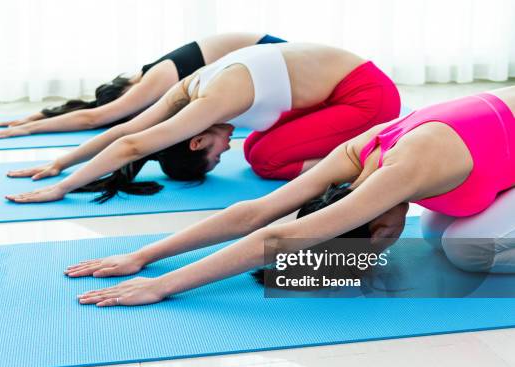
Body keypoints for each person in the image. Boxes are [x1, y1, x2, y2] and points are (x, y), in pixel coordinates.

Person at [64, 87, 515, 307]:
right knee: (441, 231)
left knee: (466, 248)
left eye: (378, 249)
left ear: (378, 230)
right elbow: (255, 213)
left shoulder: (396, 171)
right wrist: (145, 255)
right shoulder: (365, 152)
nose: (389, 247)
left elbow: (281, 235)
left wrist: (164, 284)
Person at [4, 42, 400, 203]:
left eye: (214, 155)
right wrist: (61, 161)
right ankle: (355, 150)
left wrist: (63, 185)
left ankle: (370, 159)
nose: (223, 150)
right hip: (338, 93)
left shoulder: (214, 99)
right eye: (216, 158)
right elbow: (125, 130)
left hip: (367, 96)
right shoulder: (188, 89)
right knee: (255, 150)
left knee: (265, 161)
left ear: (196, 141)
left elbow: (133, 144)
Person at [0, 33, 287, 138]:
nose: (134, 108)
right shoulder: (159, 71)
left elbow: (97, 116)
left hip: (279, 59)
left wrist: (26, 129)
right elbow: (92, 109)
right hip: (271, 61)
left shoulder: (158, 77)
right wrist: (32, 117)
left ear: (126, 90)